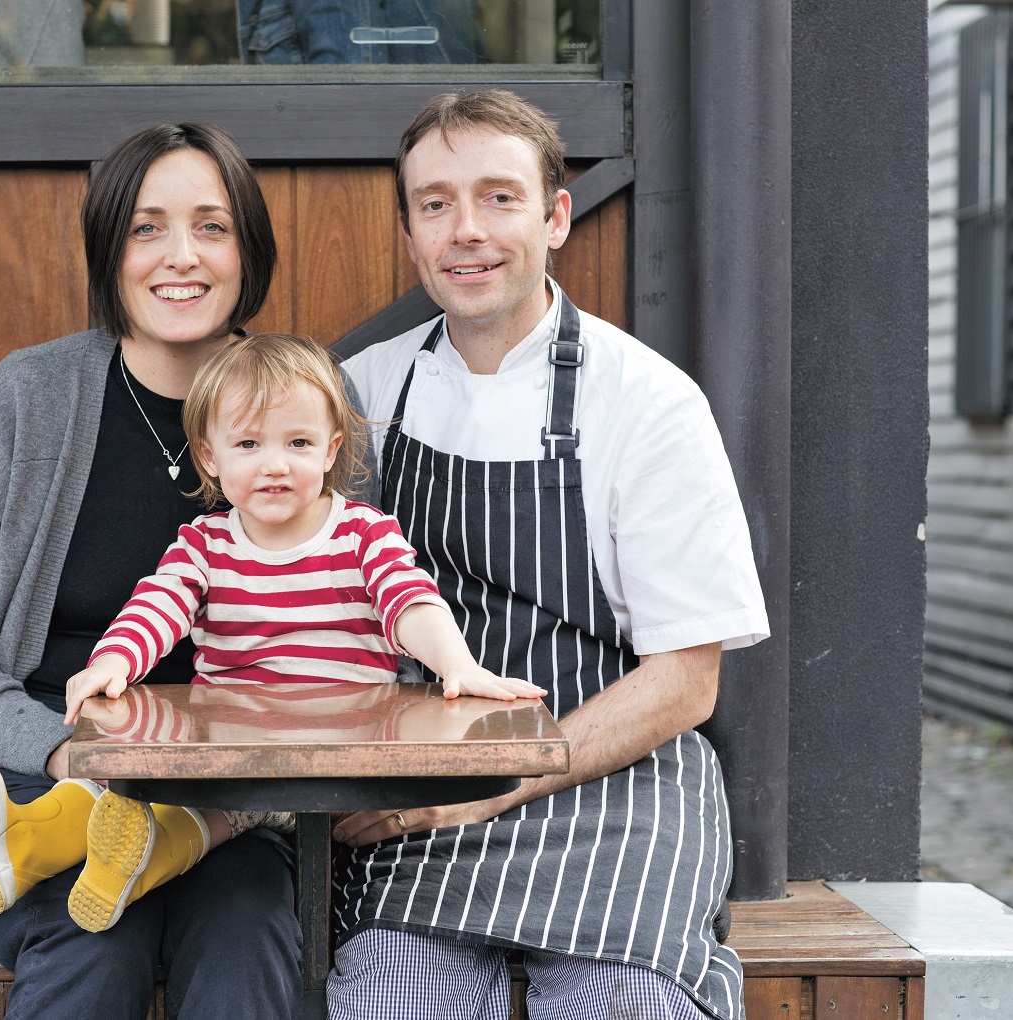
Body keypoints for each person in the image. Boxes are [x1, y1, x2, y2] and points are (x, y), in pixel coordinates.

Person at [0, 123, 307, 1020]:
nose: (179, 257)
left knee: (252, 931)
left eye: (211, 227)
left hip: (225, 804)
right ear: (109, 253)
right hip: (5, 772)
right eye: (147, 228)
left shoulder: (305, 406)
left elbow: (359, 628)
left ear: (248, 251)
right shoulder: (34, 397)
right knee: (93, 926)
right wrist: (70, 752)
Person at [329, 90, 770, 1020]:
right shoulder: (363, 397)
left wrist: (489, 792)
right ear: (409, 231)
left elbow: (687, 683)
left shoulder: (649, 402)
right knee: (392, 1000)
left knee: (626, 1004)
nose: (466, 232)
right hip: (429, 792)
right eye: (436, 203)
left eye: (499, 197)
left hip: (620, 782)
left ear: (556, 216)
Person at [0, 332, 546, 938]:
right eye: (250, 444)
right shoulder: (206, 543)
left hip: (326, 757)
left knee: (218, 809)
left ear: (332, 448)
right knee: (130, 778)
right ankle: (22, 841)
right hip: (223, 746)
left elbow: (410, 603)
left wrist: (457, 665)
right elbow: (158, 605)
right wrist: (115, 660)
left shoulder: (364, 534)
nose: (276, 464)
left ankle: (115, 856)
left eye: (299, 442)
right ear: (210, 457)